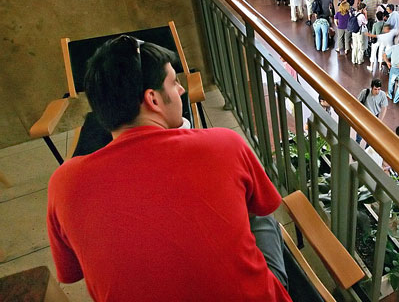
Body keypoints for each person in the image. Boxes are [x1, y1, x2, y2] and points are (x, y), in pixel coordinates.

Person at [47, 37, 291, 301]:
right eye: (174, 82)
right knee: (256, 212)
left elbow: (72, 272)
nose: (181, 91)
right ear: (152, 99)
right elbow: (266, 205)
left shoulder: (64, 183)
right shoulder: (224, 144)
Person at [356, 79, 388, 144]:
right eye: (375, 89)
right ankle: (357, 143)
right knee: (360, 132)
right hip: (364, 116)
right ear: (371, 88)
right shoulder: (365, 92)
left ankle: (367, 148)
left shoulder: (382, 95)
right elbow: (357, 102)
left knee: (371, 136)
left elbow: (384, 108)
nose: (377, 91)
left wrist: (380, 120)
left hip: (374, 117)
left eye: (379, 89)